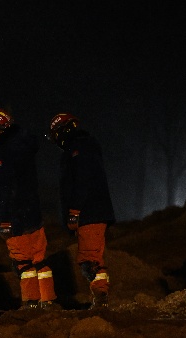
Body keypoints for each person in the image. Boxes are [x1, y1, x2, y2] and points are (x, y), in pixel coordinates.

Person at [0, 108, 59, 310]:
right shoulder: (24, 146)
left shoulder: (2, 151)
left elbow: (6, 188)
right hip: (33, 212)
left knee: (22, 262)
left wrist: (5, 220)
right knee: (40, 259)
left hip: (15, 215)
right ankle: (47, 300)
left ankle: (31, 302)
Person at [48, 113, 116, 308]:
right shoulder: (85, 146)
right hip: (93, 212)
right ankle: (100, 298)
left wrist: (75, 211)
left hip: (89, 213)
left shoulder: (79, 149)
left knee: (90, 260)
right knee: (92, 258)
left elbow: (82, 181)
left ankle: (101, 300)